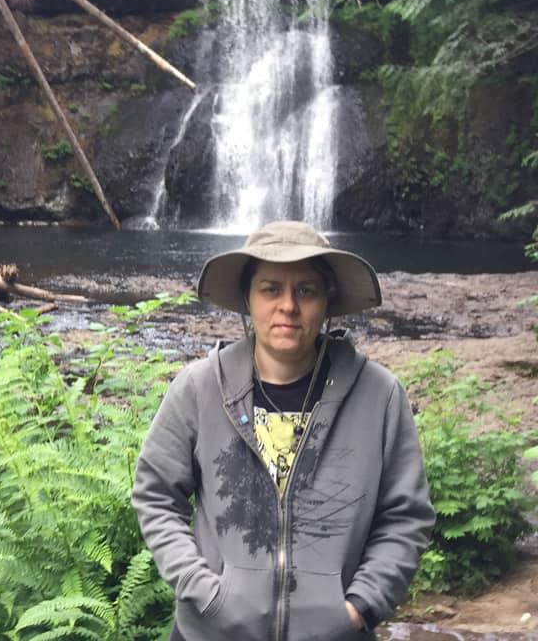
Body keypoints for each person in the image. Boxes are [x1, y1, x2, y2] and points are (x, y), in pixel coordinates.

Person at [132, 220, 434, 641]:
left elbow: (405, 517)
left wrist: (359, 607)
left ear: (327, 300)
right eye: (271, 288)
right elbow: (155, 494)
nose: (288, 306)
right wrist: (203, 591)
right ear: (248, 298)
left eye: (305, 290)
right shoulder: (199, 388)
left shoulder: (379, 395)